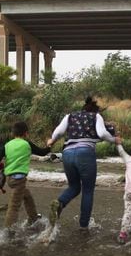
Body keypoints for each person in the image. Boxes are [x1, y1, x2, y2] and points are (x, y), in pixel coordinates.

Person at [47, 96, 119, 231]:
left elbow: (59, 132)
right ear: (94, 110)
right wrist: (115, 140)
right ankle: (83, 225)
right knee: (87, 190)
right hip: (85, 152)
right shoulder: (96, 116)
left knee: (74, 187)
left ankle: (60, 203)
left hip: (67, 153)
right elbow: (102, 134)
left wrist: (52, 140)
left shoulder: (69, 116)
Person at [0, 121, 51, 231]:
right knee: (14, 206)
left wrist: (0, 166)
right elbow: (42, 152)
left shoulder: (7, 145)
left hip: (10, 178)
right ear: (26, 133)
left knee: (27, 196)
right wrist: (49, 146)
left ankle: (33, 217)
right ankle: (8, 230)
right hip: (19, 179)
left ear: (13, 133)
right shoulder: (27, 144)